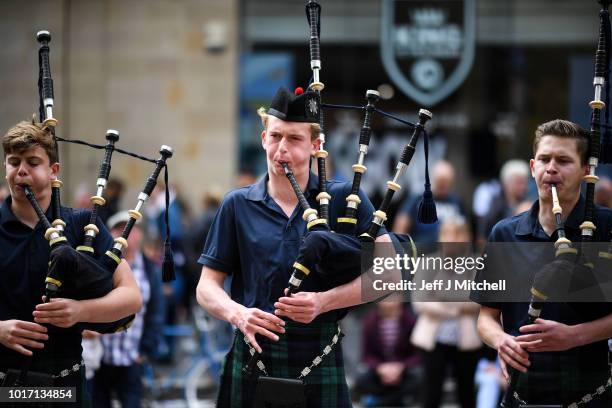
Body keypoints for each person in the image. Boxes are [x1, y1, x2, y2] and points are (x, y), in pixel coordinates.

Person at [196, 86, 392, 407]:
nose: (281, 149)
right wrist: (237, 314)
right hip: (253, 351)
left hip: (319, 350)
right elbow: (207, 286)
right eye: (275, 137)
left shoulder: (345, 199)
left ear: (316, 146)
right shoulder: (237, 205)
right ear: (263, 139)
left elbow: (390, 273)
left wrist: (324, 302)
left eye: (294, 139)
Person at [471, 119, 612, 406]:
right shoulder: (505, 233)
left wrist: (574, 336)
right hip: (522, 396)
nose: (551, 168)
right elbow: (486, 318)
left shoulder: (607, 227)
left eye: (564, 160)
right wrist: (500, 340)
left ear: (586, 171)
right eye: (545, 159)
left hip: (592, 395)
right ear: (533, 166)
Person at [0, 121, 142, 405]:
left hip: (66, 384)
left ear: (54, 171)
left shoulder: (82, 224)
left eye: (32, 162)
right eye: (13, 162)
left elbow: (131, 297)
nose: (21, 171)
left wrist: (80, 311)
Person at [92, 211, 165, 408]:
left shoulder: (150, 269)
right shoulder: (100, 265)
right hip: (101, 357)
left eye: (132, 229)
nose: (126, 234)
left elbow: (156, 312)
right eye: (119, 228)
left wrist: (145, 350)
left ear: (140, 234)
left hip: (132, 357)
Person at [411, 218, 482, 408]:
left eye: (457, 234)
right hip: (432, 338)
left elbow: (478, 299)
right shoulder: (428, 262)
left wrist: (439, 296)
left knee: (466, 393)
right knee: (430, 393)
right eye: (447, 233)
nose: (451, 239)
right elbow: (419, 301)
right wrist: (458, 305)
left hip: (467, 337)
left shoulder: (477, 264)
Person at [354, 298, 421, 407]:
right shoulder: (370, 321)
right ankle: (398, 400)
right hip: (379, 372)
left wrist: (400, 367)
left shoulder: (410, 321)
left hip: (403, 371)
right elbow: (367, 355)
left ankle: (379, 401)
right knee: (361, 380)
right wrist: (380, 368)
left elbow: (416, 355)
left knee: (419, 379)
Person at [392, 160, 465, 244]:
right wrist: (401, 249)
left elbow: (464, 230)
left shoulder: (455, 201)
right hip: (421, 249)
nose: (444, 184)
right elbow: (401, 224)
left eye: (447, 181)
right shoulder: (418, 198)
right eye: (441, 181)